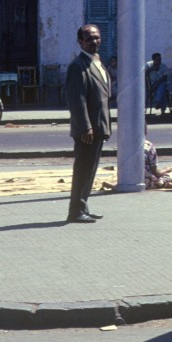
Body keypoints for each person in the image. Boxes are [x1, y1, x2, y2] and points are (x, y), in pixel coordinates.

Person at [64, 23, 112, 222]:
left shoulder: (97, 62)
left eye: (97, 38)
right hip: (88, 129)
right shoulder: (78, 66)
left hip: (99, 126)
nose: (94, 41)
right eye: (89, 38)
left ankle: (83, 206)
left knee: (90, 169)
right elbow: (77, 100)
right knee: (83, 168)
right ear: (80, 41)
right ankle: (75, 211)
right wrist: (85, 126)